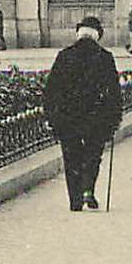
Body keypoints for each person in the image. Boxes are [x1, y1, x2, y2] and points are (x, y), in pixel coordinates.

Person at [44, 15, 123, 212]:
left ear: (78, 34)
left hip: (68, 117)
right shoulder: (105, 57)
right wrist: (114, 119)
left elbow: (51, 89)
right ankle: (88, 188)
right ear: (97, 36)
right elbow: (114, 92)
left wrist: (51, 117)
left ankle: (75, 200)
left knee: (71, 158)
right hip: (96, 117)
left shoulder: (65, 55)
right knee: (93, 155)